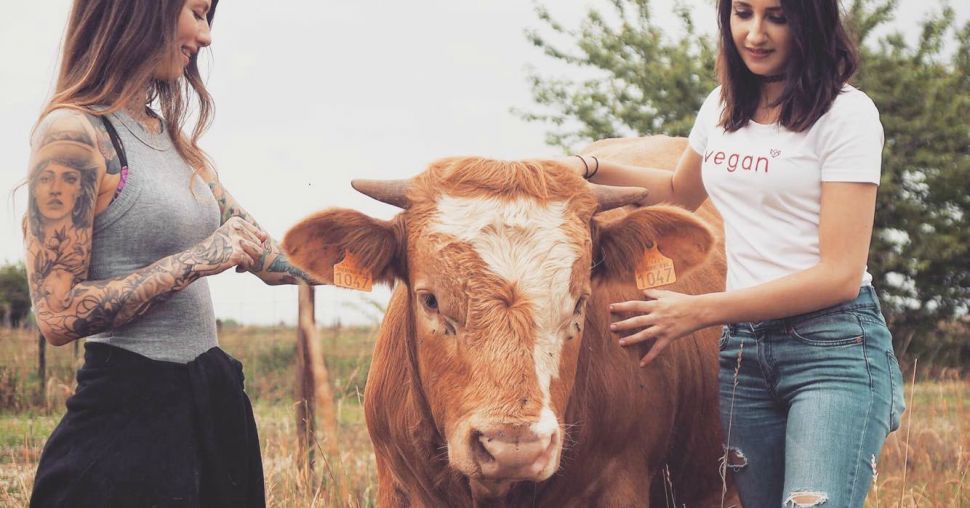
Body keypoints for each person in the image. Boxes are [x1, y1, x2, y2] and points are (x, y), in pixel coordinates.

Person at [562, 0, 905, 506]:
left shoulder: (846, 115)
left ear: (810, 23)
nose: (755, 33)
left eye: (777, 17)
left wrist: (697, 310)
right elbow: (679, 192)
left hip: (832, 347)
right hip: (743, 352)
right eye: (742, 13)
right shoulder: (723, 106)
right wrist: (586, 166)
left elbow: (839, 275)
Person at [24, 1, 311, 505]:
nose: (206, 37)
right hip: (129, 416)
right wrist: (197, 259)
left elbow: (271, 256)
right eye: (197, 12)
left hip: (212, 405)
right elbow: (56, 312)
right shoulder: (74, 134)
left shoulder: (173, 141)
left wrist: (382, 258)